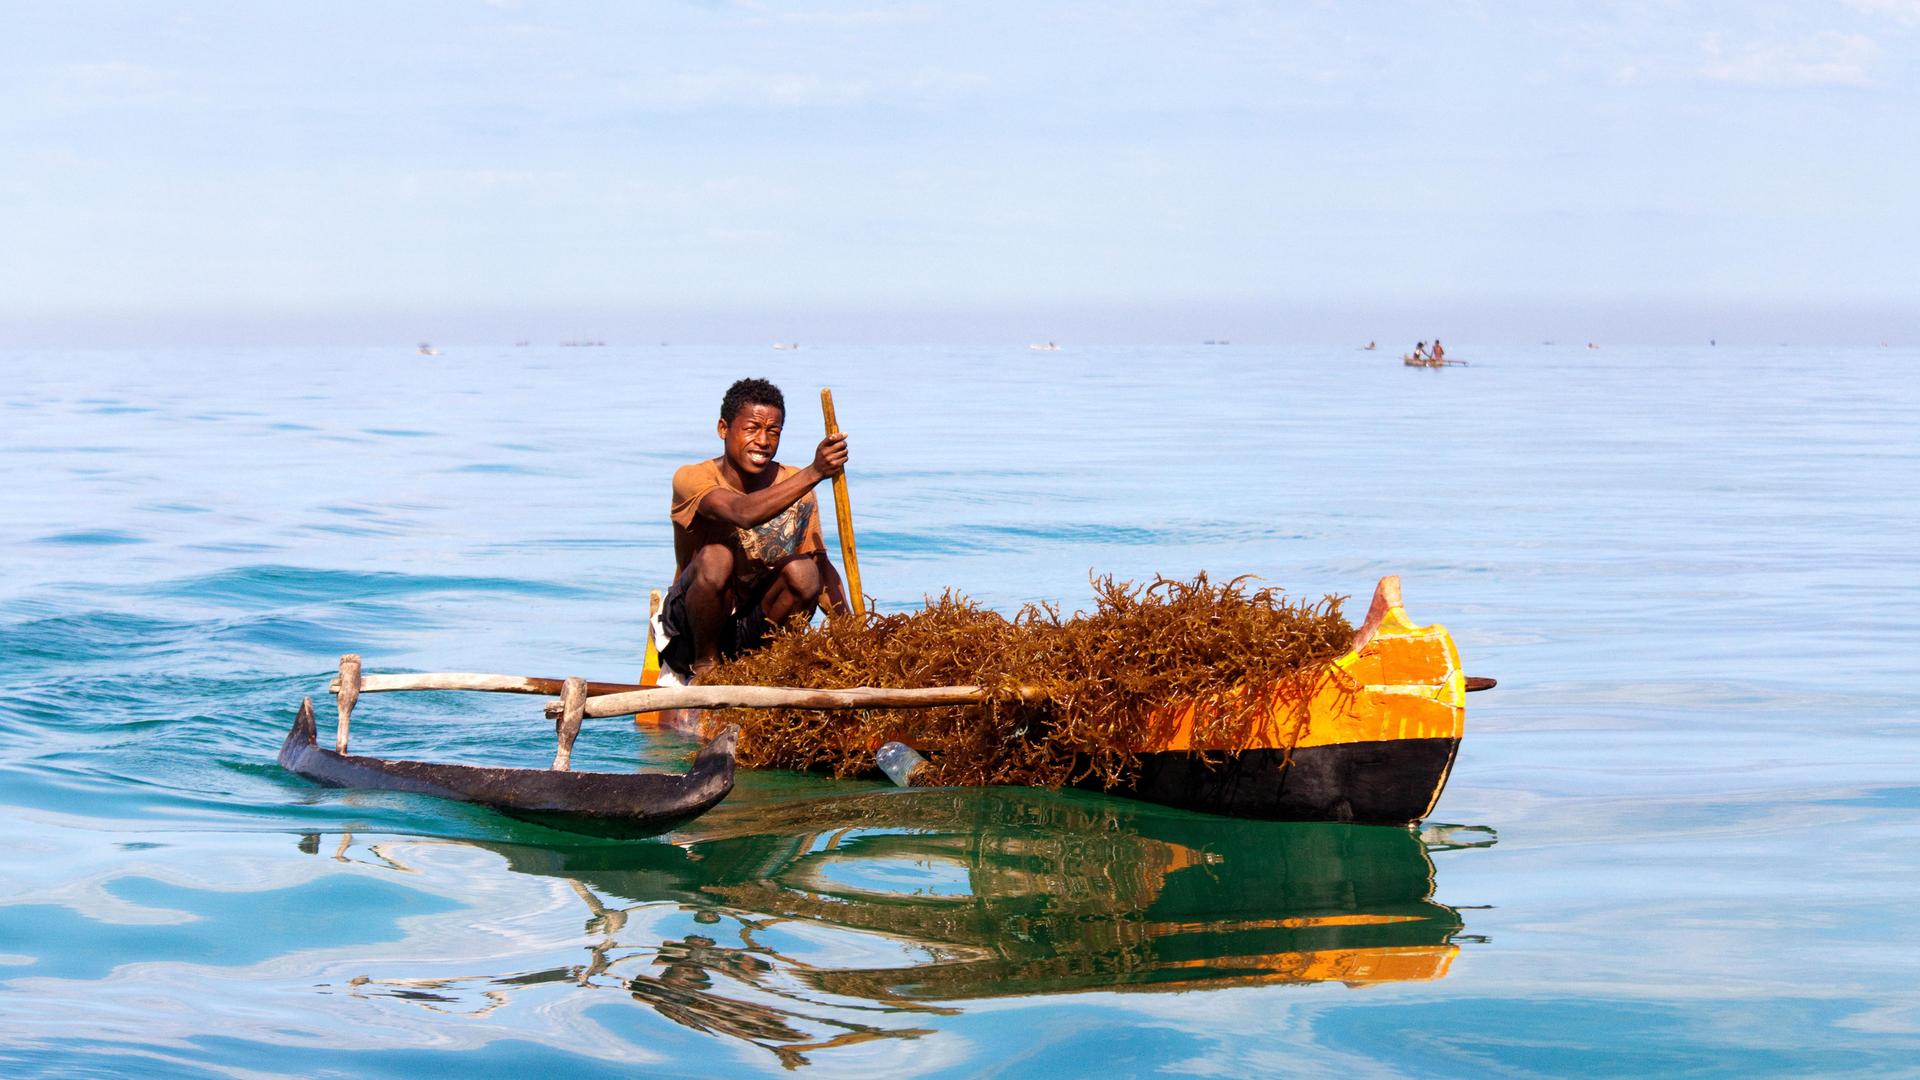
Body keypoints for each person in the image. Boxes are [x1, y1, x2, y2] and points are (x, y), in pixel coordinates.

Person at [655, 378, 849, 683]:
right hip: (690, 636)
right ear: (723, 429)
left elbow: (820, 568)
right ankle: (707, 672)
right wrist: (816, 472)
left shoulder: (794, 482)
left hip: (752, 631)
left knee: (804, 571)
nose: (763, 441)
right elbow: (741, 513)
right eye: (752, 429)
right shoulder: (692, 478)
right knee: (717, 557)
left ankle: (767, 667)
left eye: (774, 432)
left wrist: (853, 636)